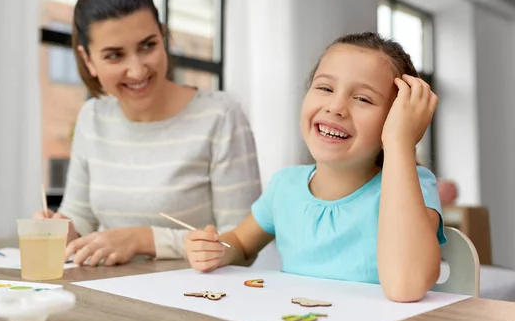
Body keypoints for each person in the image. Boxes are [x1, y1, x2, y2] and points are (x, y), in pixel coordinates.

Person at [185, 32, 445, 303]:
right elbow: (240, 244)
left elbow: (406, 286)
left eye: (363, 99)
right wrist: (218, 250)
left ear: (396, 119)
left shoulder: (413, 185)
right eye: (325, 88)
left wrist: (399, 143)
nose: (336, 107)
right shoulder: (285, 186)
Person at [33, 0, 261, 267]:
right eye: (114, 55)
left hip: (194, 298)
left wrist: (144, 239)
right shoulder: (92, 118)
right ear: (88, 60)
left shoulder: (220, 117)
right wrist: (62, 230)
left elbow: (241, 244)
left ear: (163, 36)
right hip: (109, 293)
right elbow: (82, 224)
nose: (137, 70)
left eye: (148, 46)